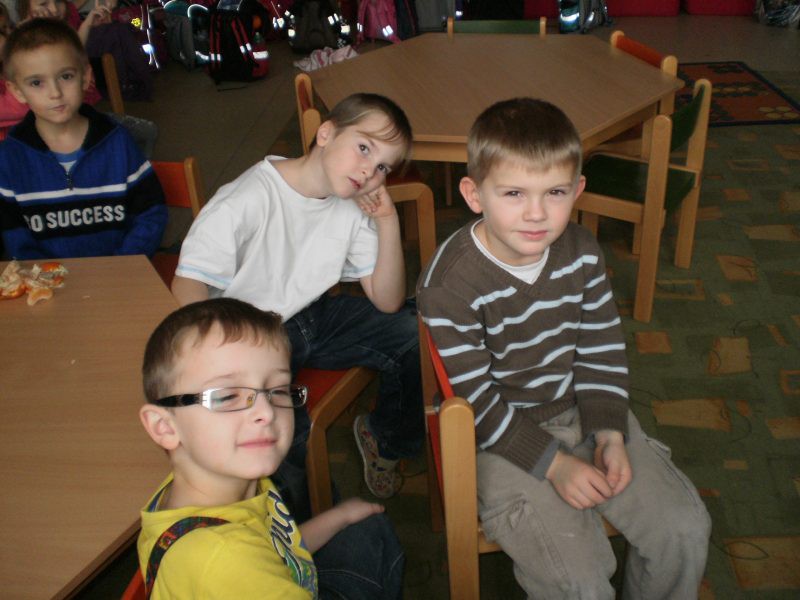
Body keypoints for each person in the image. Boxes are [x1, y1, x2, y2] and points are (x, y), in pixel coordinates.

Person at [417, 98, 711, 599]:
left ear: (577, 190)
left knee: (684, 530)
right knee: (580, 582)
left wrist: (610, 433)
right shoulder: (449, 285)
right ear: (474, 194)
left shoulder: (582, 251)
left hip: (582, 409)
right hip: (496, 437)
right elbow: (477, 404)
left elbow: (600, 347)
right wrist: (553, 464)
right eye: (513, 193)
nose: (536, 214)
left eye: (554, 192)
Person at [170, 93, 423, 515]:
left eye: (383, 167)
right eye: (364, 148)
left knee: (414, 330)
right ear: (325, 133)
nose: (370, 171)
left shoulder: (352, 202)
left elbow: (388, 299)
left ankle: (385, 440)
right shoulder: (248, 197)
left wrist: (386, 220)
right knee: (282, 435)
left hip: (311, 316)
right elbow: (186, 283)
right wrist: (219, 356)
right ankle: (301, 533)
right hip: (247, 334)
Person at [138, 298, 404, 599]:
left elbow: (274, 547)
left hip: (273, 571)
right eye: (227, 396)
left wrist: (338, 516)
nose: (266, 411)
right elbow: (246, 560)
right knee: (376, 534)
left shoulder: (220, 477)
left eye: (277, 390)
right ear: (164, 427)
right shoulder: (224, 559)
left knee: (365, 526)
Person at [0, 18, 166, 260]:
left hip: (122, 273)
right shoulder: (9, 157)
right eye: (36, 83)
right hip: (47, 279)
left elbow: (150, 214)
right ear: (17, 91)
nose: (55, 93)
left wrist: (124, 263)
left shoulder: (118, 141)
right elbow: (13, 232)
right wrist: (47, 274)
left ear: (86, 76)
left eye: (66, 76)